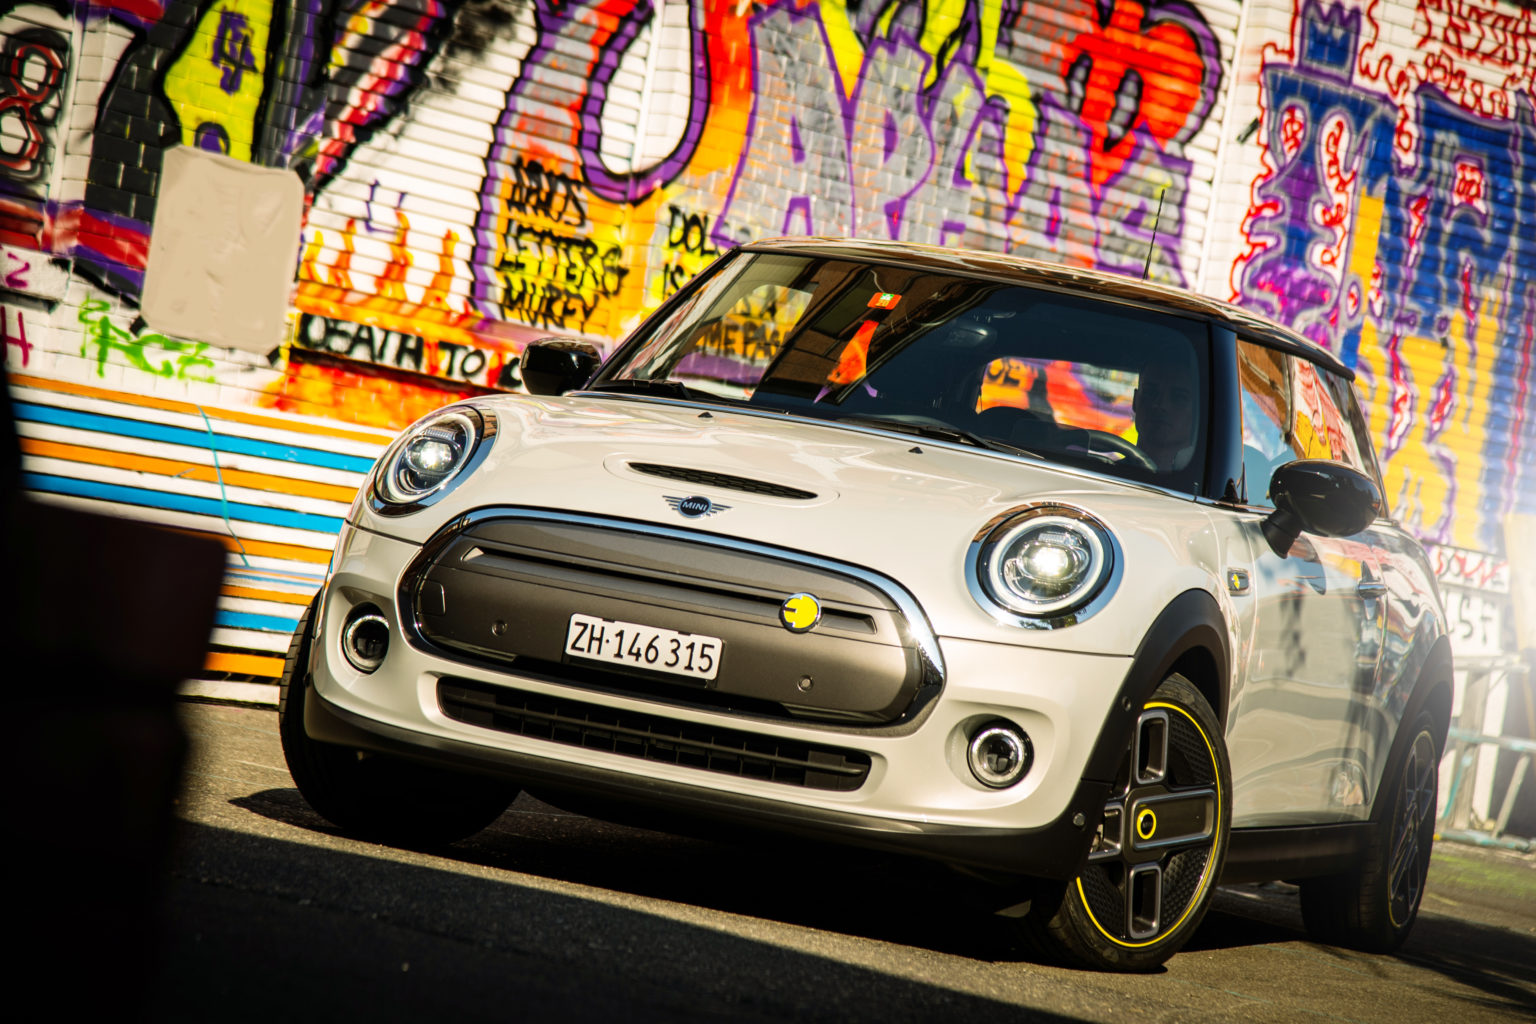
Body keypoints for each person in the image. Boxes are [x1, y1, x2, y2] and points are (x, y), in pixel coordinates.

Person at [1131, 356, 1197, 472]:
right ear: (1135, 400)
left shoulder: (1204, 482)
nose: (1161, 405)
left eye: (1179, 397)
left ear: (1197, 412)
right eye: (1150, 392)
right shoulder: (1107, 474)